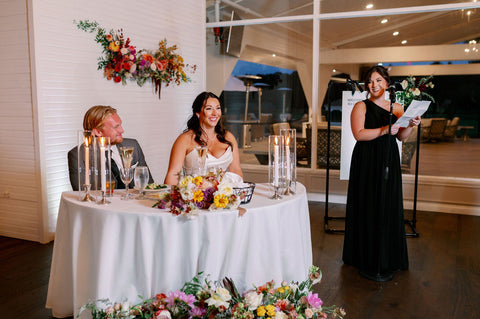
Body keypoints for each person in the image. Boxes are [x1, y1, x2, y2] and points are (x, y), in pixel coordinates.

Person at [342, 65, 421, 281]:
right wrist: (385, 129)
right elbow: (358, 134)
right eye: (370, 81)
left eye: (378, 80)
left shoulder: (396, 106)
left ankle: (388, 257)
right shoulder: (361, 106)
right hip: (367, 160)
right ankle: (366, 257)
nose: (374, 85)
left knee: (387, 204)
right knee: (369, 204)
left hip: (388, 158)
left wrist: (411, 125)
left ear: (386, 83)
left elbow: (402, 136)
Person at [164, 92, 243, 185]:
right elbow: (173, 174)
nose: (215, 113)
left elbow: (236, 170)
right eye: (209, 108)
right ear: (198, 113)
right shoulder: (184, 140)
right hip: (195, 196)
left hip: (221, 196)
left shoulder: (229, 137)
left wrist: (234, 190)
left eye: (218, 108)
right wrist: (172, 196)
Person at [68, 105, 154, 191]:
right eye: (116, 127)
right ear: (98, 132)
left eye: (120, 125)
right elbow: (83, 194)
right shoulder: (78, 155)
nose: (122, 130)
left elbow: (149, 185)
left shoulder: (133, 146)